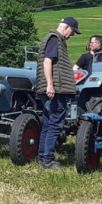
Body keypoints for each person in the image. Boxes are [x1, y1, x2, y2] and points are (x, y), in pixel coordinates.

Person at [35, 16, 80, 169]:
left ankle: (42, 158)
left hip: (48, 89)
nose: (71, 35)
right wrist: (50, 85)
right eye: (72, 32)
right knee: (55, 124)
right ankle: (48, 160)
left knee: (47, 124)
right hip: (54, 90)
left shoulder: (53, 39)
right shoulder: (55, 39)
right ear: (66, 27)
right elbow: (47, 61)